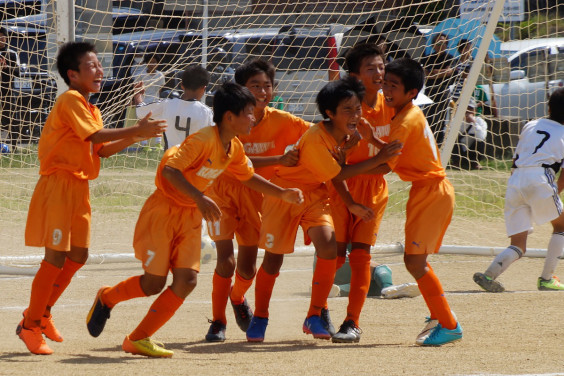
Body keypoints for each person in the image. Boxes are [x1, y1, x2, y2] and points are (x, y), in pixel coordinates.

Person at [85, 82, 304, 358]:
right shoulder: (203, 140)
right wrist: (200, 197)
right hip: (164, 211)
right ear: (229, 117)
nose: (253, 118)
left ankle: (138, 338)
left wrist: (282, 193)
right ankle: (107, 297)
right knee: (153, 283)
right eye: (248, 113)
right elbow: (171, 172)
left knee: (187, 280)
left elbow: (247, 176)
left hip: (189, 216)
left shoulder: (233, 147)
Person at [16, 41, 167, 355]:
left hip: (79, 187)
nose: (100, 71)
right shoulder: (70, 99)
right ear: (73, 74)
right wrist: (133, 131)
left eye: (100, 65)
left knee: (78, 256)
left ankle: (42, 313)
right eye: (92, 66)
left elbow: (102, 150)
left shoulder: (91, 108)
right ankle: (30, 325)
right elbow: (96, 136)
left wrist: (137, 134)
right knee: (55, 257)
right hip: (58, 185)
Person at [245, 76, 402, 343]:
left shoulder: (352, 128)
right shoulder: (317, 139)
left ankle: (314, 315)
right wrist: (378, 160)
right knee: (274, 258)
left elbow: (334, 175)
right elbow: (339, 172)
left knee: (329, 246)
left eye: (357, 109)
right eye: (347, 110)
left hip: (315, 194)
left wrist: (373, 148)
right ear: (329, 113)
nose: (355, 115)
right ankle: (260, 316)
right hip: (285, 192)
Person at [204, 59, 310, 342]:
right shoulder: (226, 121)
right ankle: (217, 322)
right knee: (225, 261)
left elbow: (317, 134)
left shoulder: (284, 121)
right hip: (221, 194)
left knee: (248, 267)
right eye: (255, 86)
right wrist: (279, 159)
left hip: (258, 195)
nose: (263, 91)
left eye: (267, 86)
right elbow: (232, 162)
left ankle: (237, 298)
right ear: (241, 89)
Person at [324, 43, 419, 343]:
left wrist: (368, 161)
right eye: (371, 68)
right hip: (340, 187)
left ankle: (352, 321)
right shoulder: (346, 105)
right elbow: (335, 162)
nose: (379, 73)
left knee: (361, 256)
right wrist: (363, 162)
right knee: (335, 258)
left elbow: (387, 167)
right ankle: (319, 311)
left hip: (371, 189)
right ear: (354, 75)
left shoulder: (395, 106)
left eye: (381, 66)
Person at [381, 57, 463, 346]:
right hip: (427, 190)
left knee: (414, 262)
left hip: (432, 192)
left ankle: (450, 324)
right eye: (385, 84)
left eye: (394, 85)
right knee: (416, 261)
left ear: (412, 91)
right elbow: (396, 153)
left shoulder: (404, 120)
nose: (386, 90)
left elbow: (385, 165)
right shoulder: (407, 114)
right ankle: (439, 316)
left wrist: (341, 172)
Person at [473, 88, 564, 293]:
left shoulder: (531, 124)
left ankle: (489, 275)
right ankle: (547, 279)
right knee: (561, 226)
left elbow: (516, 158)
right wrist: (553, 194)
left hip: (516, 179)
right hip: (541, 178)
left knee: (519, 244)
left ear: (548, 107)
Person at [133, 64, 213, 150]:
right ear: (204, 88)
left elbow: (140, 111)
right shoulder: (207, 112)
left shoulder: (167, 104)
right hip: (195, 161)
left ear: (182, 85)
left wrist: (137, 94)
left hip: (170, 160)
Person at [420, 33, 456, 146]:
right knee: (428, 118)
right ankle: (427, 143)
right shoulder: (427, 57)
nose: (441, 45)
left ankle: (439, 145)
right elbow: (425, 73)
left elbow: (449, 72)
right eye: (438, 43)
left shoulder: (450, 58)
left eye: (444, 43)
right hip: (429, 91)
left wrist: (433, 72)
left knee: (440, 119)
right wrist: (441, 72)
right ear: (433, 44)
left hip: (443, 91)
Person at [450, 98, 488, 170]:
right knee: (452, 139)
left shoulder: (480, 122)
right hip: (459, 150)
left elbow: (481, 137)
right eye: (466, 108)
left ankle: (475, 163)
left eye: (470, 109)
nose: (468, 111)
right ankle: (456, 162)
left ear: (475, 111)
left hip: (472, 151)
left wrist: (473, 122)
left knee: (481, 141)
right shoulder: (456, 121)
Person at [0, 26, 21, 150]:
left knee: (12, 119)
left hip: (8, 91)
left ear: (6, 38)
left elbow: (18, 72)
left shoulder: (12, 54)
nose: (0, 38)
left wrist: (7, 67)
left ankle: (14, 147)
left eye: (2, 36)